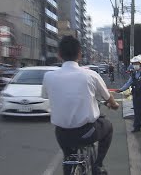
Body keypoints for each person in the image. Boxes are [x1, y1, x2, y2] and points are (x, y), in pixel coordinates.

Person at [41, 36, 119, 175]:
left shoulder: (48, 76)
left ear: (59, 55)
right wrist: (114, 105)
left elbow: (45, 96)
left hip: (62, 134)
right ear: (79, 54)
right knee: (108, 126)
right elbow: (108, 97)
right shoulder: (91, 75)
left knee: (68, 157)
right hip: (87, 133)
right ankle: (98, 165)